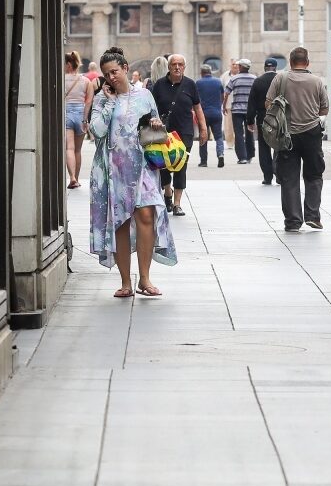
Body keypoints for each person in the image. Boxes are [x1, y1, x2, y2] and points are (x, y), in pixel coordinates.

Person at [88, 47, 177, 298]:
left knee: (147, 215)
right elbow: (97, 130)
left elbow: (155, 124)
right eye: (106, 74)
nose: (111, 77)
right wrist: (110, 102)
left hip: (143, 166)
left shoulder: (145, 95)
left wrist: (156, 123)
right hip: (114, 169)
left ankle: (145, 279)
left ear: (125, 69)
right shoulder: (102, 99)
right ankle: (126, 282)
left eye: (114, 71)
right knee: (121, 222)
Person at [269, 46, 331, 232]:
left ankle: (293, 221)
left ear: (290, 62)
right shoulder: (317, 81)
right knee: (314, 175)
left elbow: (268, 103)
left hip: (286, 135)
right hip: (312, 133)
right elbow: (324, 109)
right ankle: (312, 216)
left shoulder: (280, 78)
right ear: (307, 62)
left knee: (289, 178)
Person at [149, 54, 206, 217]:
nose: (177, 67)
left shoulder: (190, 84)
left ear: (184, 67)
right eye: (174, 64)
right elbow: (152, 108)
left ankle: (177, 204)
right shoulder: (159, 85)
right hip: (163, 132)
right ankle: (167, 191)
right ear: (169, 67)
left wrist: (203, 128)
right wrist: (152, 120)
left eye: (180, 64)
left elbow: (198, 107)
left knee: (181, 166)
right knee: (163, 165)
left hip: (184, 132)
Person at [61, 51, 94, 189]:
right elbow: (89, 101)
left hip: (66, 113)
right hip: (80, 114)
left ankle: (72, 177)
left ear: (68, 64)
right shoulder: (86, 81)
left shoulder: (61, 79)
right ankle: (77, 178)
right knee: (77, 150)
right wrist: (85, 120)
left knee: (69, 148)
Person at [246, 57, 280, 185]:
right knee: (279, 146)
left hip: (263, 118)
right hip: (279, 118)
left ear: (265, 67)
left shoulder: (258, 81)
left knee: (264, 147)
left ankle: (267, 176)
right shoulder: (281, 80)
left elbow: (251, 103)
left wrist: (250, 121)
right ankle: (279, 174)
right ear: (275, 68)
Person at [195, 62, 227, 167]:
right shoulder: (218, 82)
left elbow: (195, 99)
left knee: (203, 136)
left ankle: (203, 161)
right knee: (218, 136)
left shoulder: (198, 83)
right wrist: (218, 106)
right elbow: (222, 96)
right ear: (210, 72)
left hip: (203, 114)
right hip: (216, 113)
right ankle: (220, 154)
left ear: (201, 73)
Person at [226, 59, 257, 164]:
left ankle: (242, 157)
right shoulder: (254, 79)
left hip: (237, 110)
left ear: (241, 67)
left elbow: (226, 93)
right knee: (249, 132)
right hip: (250, 110)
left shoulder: (234, 78)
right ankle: (250, 155)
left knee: (238, 133)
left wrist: (224, 105)